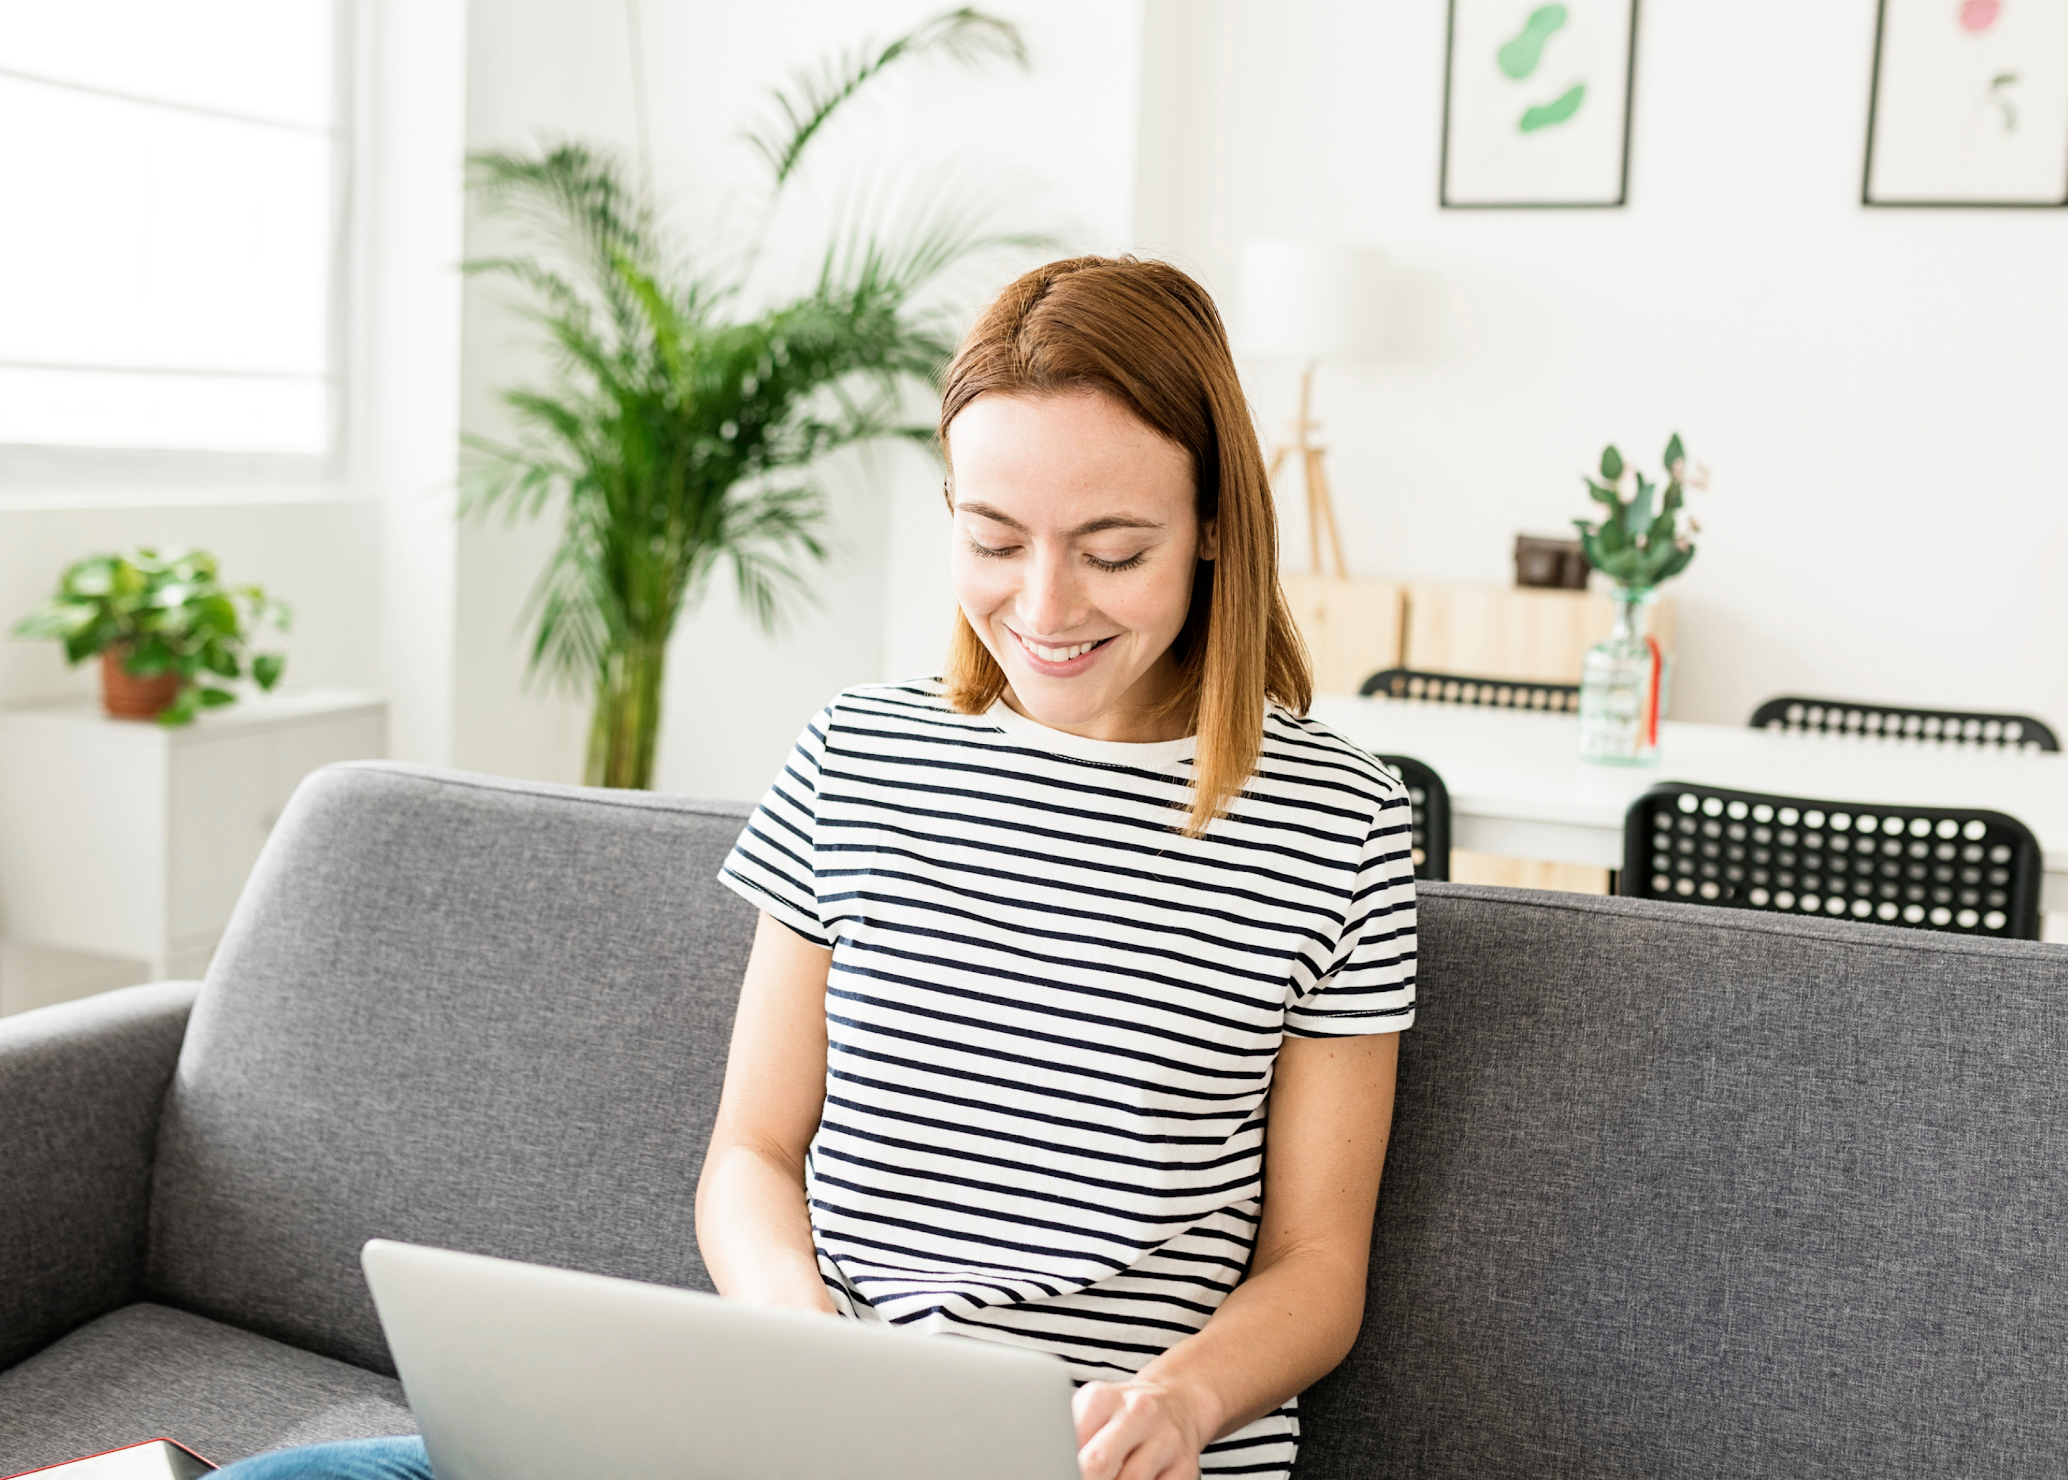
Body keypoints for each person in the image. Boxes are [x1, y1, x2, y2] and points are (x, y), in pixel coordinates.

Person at [214, 255, 1414, 1480]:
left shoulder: (1340, 820)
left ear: (1216, 524)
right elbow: (751, 1154)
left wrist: (1182, 1401)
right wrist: (793, 1341)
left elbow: (1316, 1268)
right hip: (801, 1433)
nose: (1045, 606)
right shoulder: (859, 751)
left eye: (1112, 551)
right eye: (994, 539)